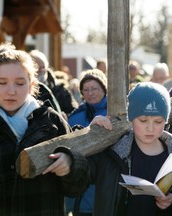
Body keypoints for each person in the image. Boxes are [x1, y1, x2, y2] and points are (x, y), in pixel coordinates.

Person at [0, 42, 90, 215]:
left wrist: (71, 164)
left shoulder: (52, 124)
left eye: (20, 83)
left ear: (32, 86)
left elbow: (78, 186)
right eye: (2, 82)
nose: (11, 91)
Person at [88, 82, 172, 216]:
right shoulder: (112, 152)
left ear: (166, 121)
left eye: (158, 121)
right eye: (143, 120)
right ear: (131, 119)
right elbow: (79, 175)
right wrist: (91, 134)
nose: (150, 128)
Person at [66, 68, 108, 216]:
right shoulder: (75, 116)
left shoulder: (114, 112)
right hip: (80, 184)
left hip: (103, 181)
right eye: (86, 89)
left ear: (104, 88)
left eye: (94, 88)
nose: (90, 93)